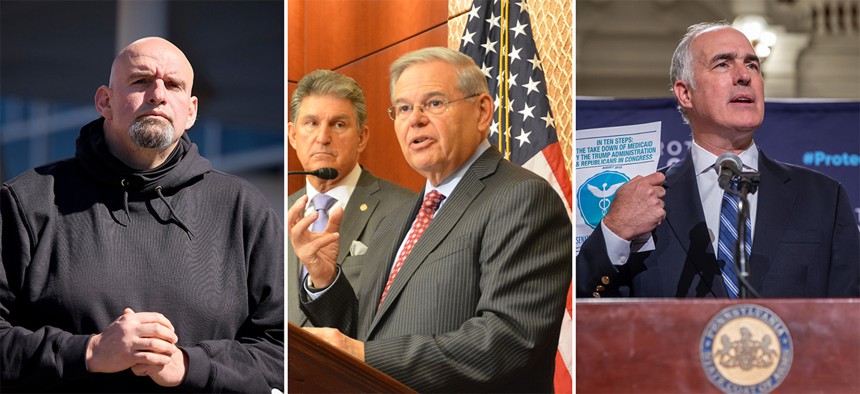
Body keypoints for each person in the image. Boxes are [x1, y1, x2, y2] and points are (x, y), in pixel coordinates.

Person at [0, 37, 283, 392]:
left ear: (191, 110)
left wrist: (188, 366)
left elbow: (283, 353)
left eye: (174, 85)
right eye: (140, 81)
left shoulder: (242, 210)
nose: (158, 94)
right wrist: (89, 352)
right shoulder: (28, 202)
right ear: (105, 101)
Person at [288, 47, 571, 392]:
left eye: (434, 103)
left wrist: (368, 356)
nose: (415, 119)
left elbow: (509, 339)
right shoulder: (399, 219)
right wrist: (324, 278)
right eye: (404, 108)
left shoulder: (521, 197)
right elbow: (363, 332)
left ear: (482, 112)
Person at [577, 21, 860, 298]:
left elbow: (851, 314)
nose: (744, 76)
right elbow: (579, 307)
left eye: (752, 64)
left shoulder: (823, 197)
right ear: (685, 93)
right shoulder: (646, 201)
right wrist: (614, 232)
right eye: (723, 63)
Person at [287, 69, 415, 327]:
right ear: (292, 135)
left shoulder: (407, 210)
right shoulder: (277, 211)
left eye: (339, 124)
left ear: (361, 138)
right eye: (311, 123)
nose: (323, 138)